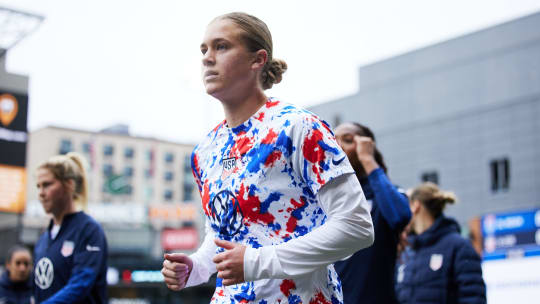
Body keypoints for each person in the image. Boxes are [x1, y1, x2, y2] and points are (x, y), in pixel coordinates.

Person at [161, 12, 374, 304]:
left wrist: (256, 262)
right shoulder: (205, 151)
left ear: (258, 60)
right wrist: (197, 267)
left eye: (221, 46)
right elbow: (223, 232)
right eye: (204, 49)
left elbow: (357, 226)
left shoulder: (299, 127)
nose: (207, 58)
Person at [333, 122, 412, 304]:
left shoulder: (385, 195)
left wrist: (368, 160)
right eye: (333, 140)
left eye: (346, 140)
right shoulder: (330, 200)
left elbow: (399, 216)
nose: (337, 146)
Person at [34, 152, 108, 303]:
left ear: (69, 184)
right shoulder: (44, 238)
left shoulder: (89, 230)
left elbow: (80, 285)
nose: (41, 193)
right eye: (38, 186)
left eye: (47, 185)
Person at [395, 182, 486, 304]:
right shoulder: (408, 250)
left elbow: (473, 297)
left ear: (416, 206)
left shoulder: (459, 247)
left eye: (405, 205)